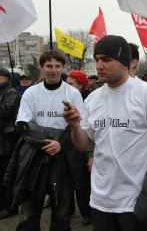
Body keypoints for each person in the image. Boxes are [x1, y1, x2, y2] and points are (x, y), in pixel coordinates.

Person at [63, 35, 147, 231]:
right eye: (97, 59)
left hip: (137, 199)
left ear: (125, 63)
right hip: (100, 199)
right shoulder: (93, 99)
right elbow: (82, 144)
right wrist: (74, 127)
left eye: (106, 59)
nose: (99, 65)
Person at [14, 50, 85, 231]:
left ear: (63, 68)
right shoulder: (31, 92)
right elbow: (22, 125)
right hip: (34, 156)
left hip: (63, 156)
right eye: (49, 66)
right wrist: (47, 142)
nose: (53, 70)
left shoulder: (73, 93)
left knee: (61, 213)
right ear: (42, 67)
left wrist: (60, 143)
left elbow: (77, 125)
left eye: (57, 66)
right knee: (29, 212)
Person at [66, 70, 93, 225]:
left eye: (71, 84)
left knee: (83, 182)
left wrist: (90, 154)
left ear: (80, 86)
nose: (67, 87)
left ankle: (88, 212)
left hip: (84, 148)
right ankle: (71, 209)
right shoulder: (65, 100)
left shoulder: (88, 101)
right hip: (69, 147)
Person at [0, 67, 19, 219]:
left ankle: (10, 206)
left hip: (6, 141)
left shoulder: (10, 92)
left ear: (4, 78)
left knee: (7, 175)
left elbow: (5, 111)